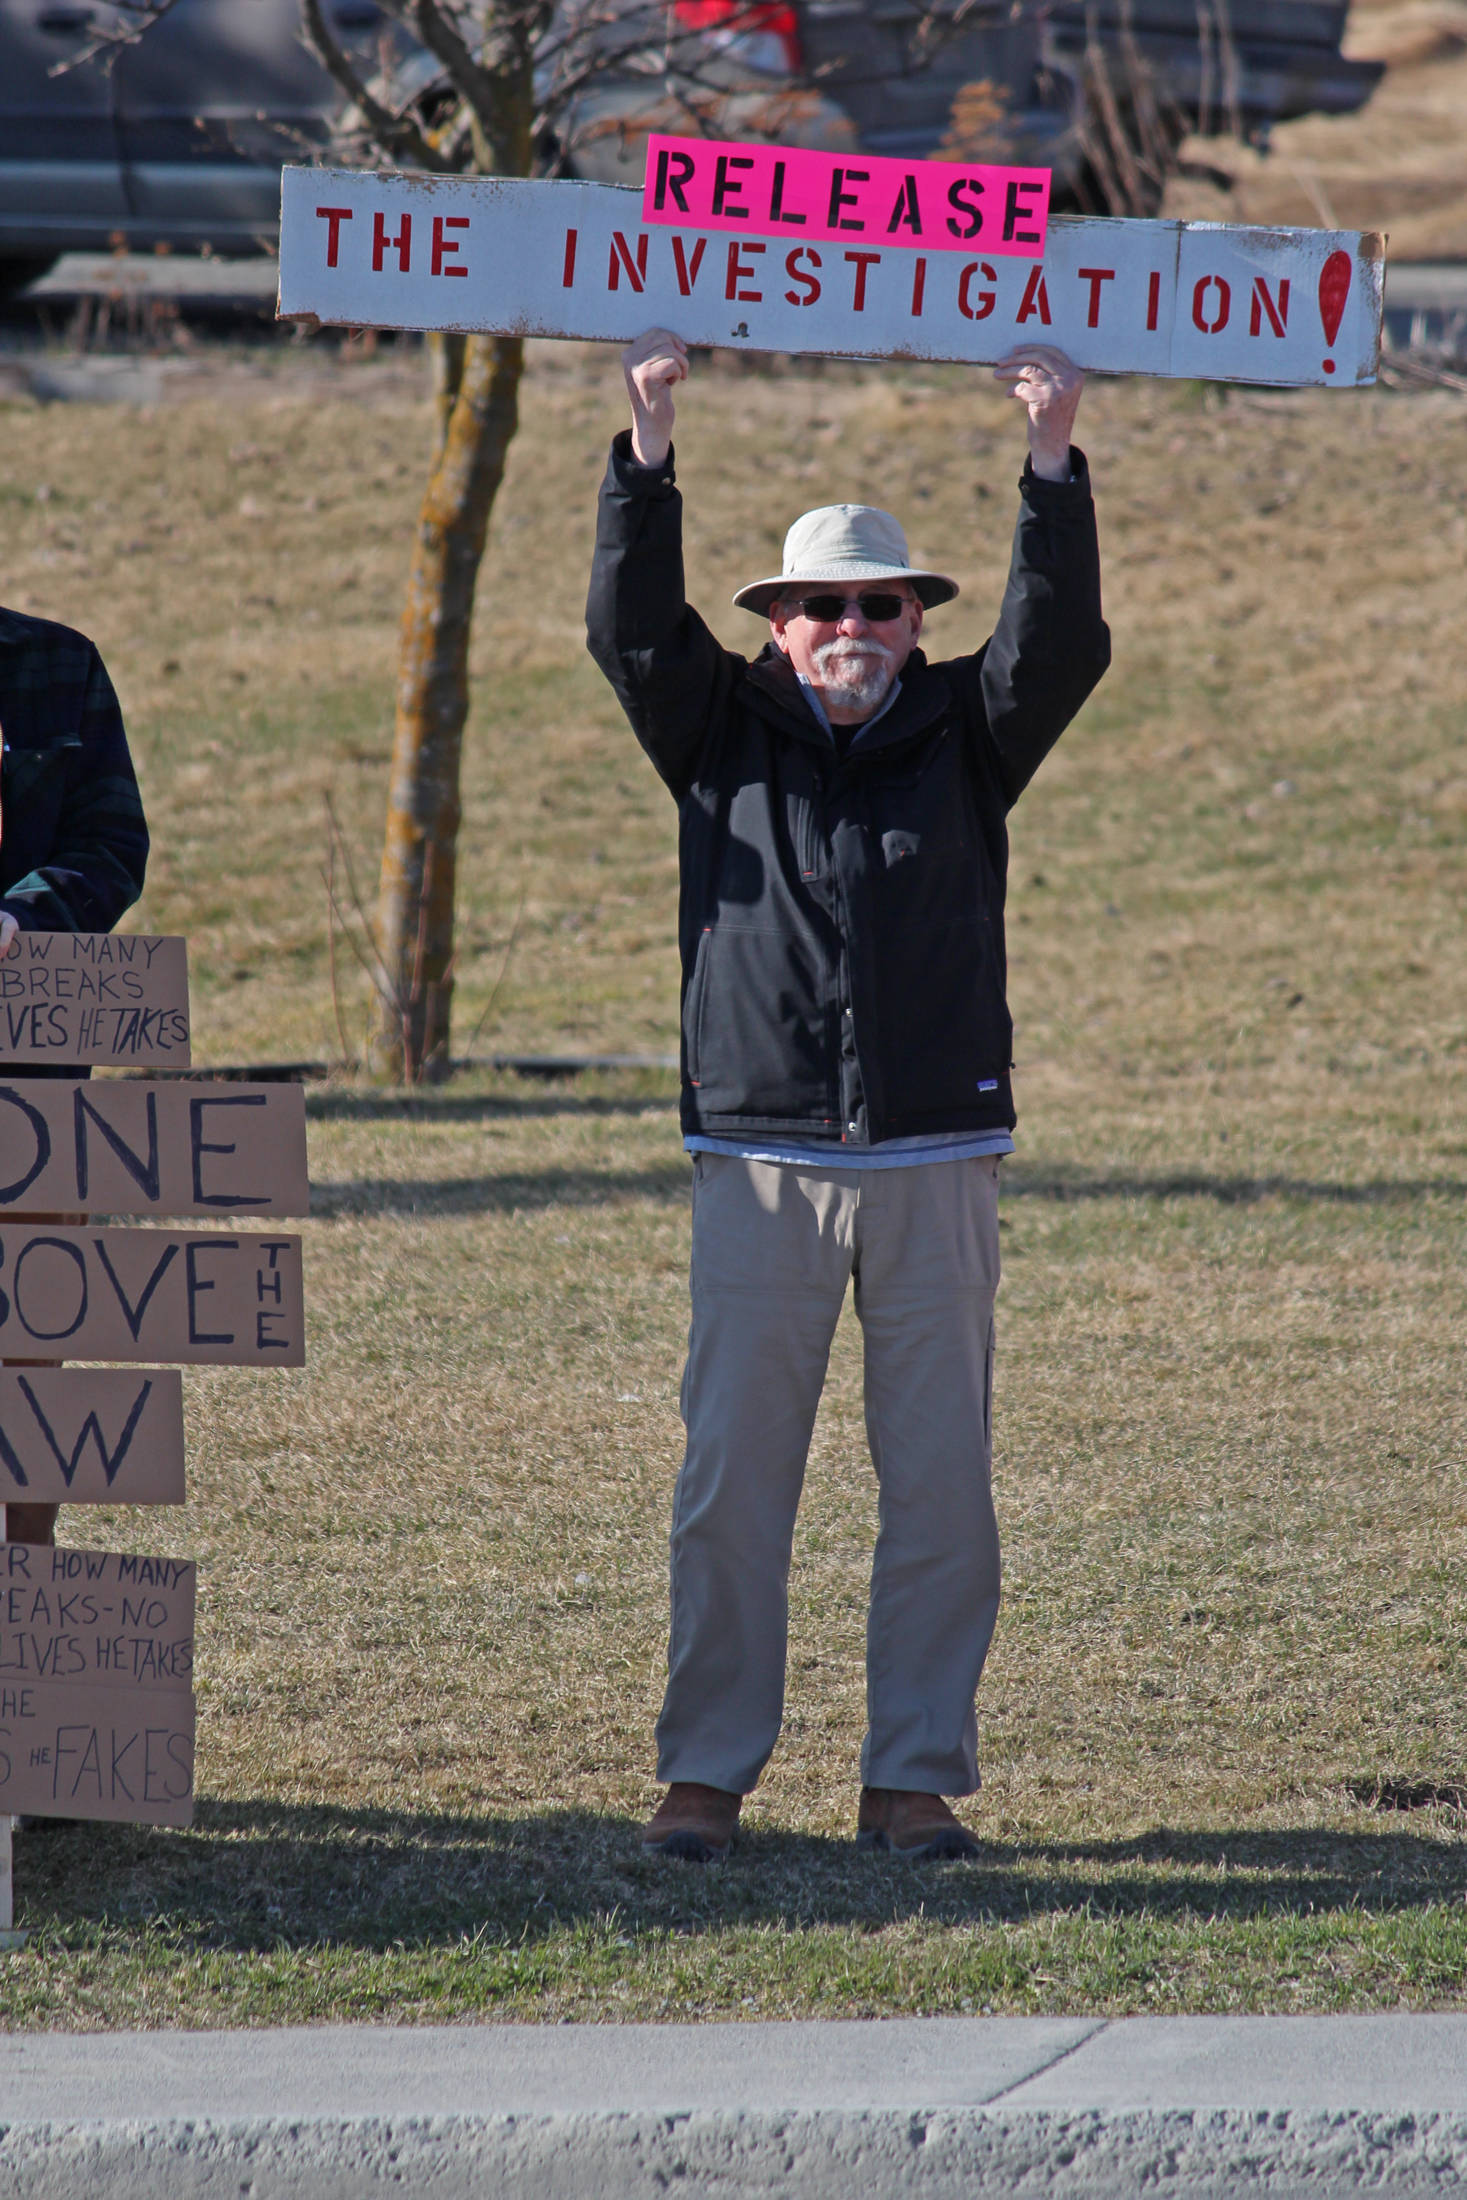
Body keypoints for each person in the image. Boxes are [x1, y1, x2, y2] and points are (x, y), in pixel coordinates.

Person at [587, 328, 1109, 1863]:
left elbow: (1058, 642)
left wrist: (1049, 456)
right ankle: (703, 1775)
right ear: (775, 623)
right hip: (753, 1156)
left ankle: (911, 1780)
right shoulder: (712, 732)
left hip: (939, 1152)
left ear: (909, 621)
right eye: (821, 605)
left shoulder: (967, 735)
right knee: (731, 1489)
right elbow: (627, 628)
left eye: (879, 604)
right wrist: (646, 444)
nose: (851, 625)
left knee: (940, 1490)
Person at [0, 602, 150, 1547]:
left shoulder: (55, 665)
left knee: (24, 1387)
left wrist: (23, 917)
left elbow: (111, 845)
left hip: (31, 1111)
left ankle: (23, 1651)